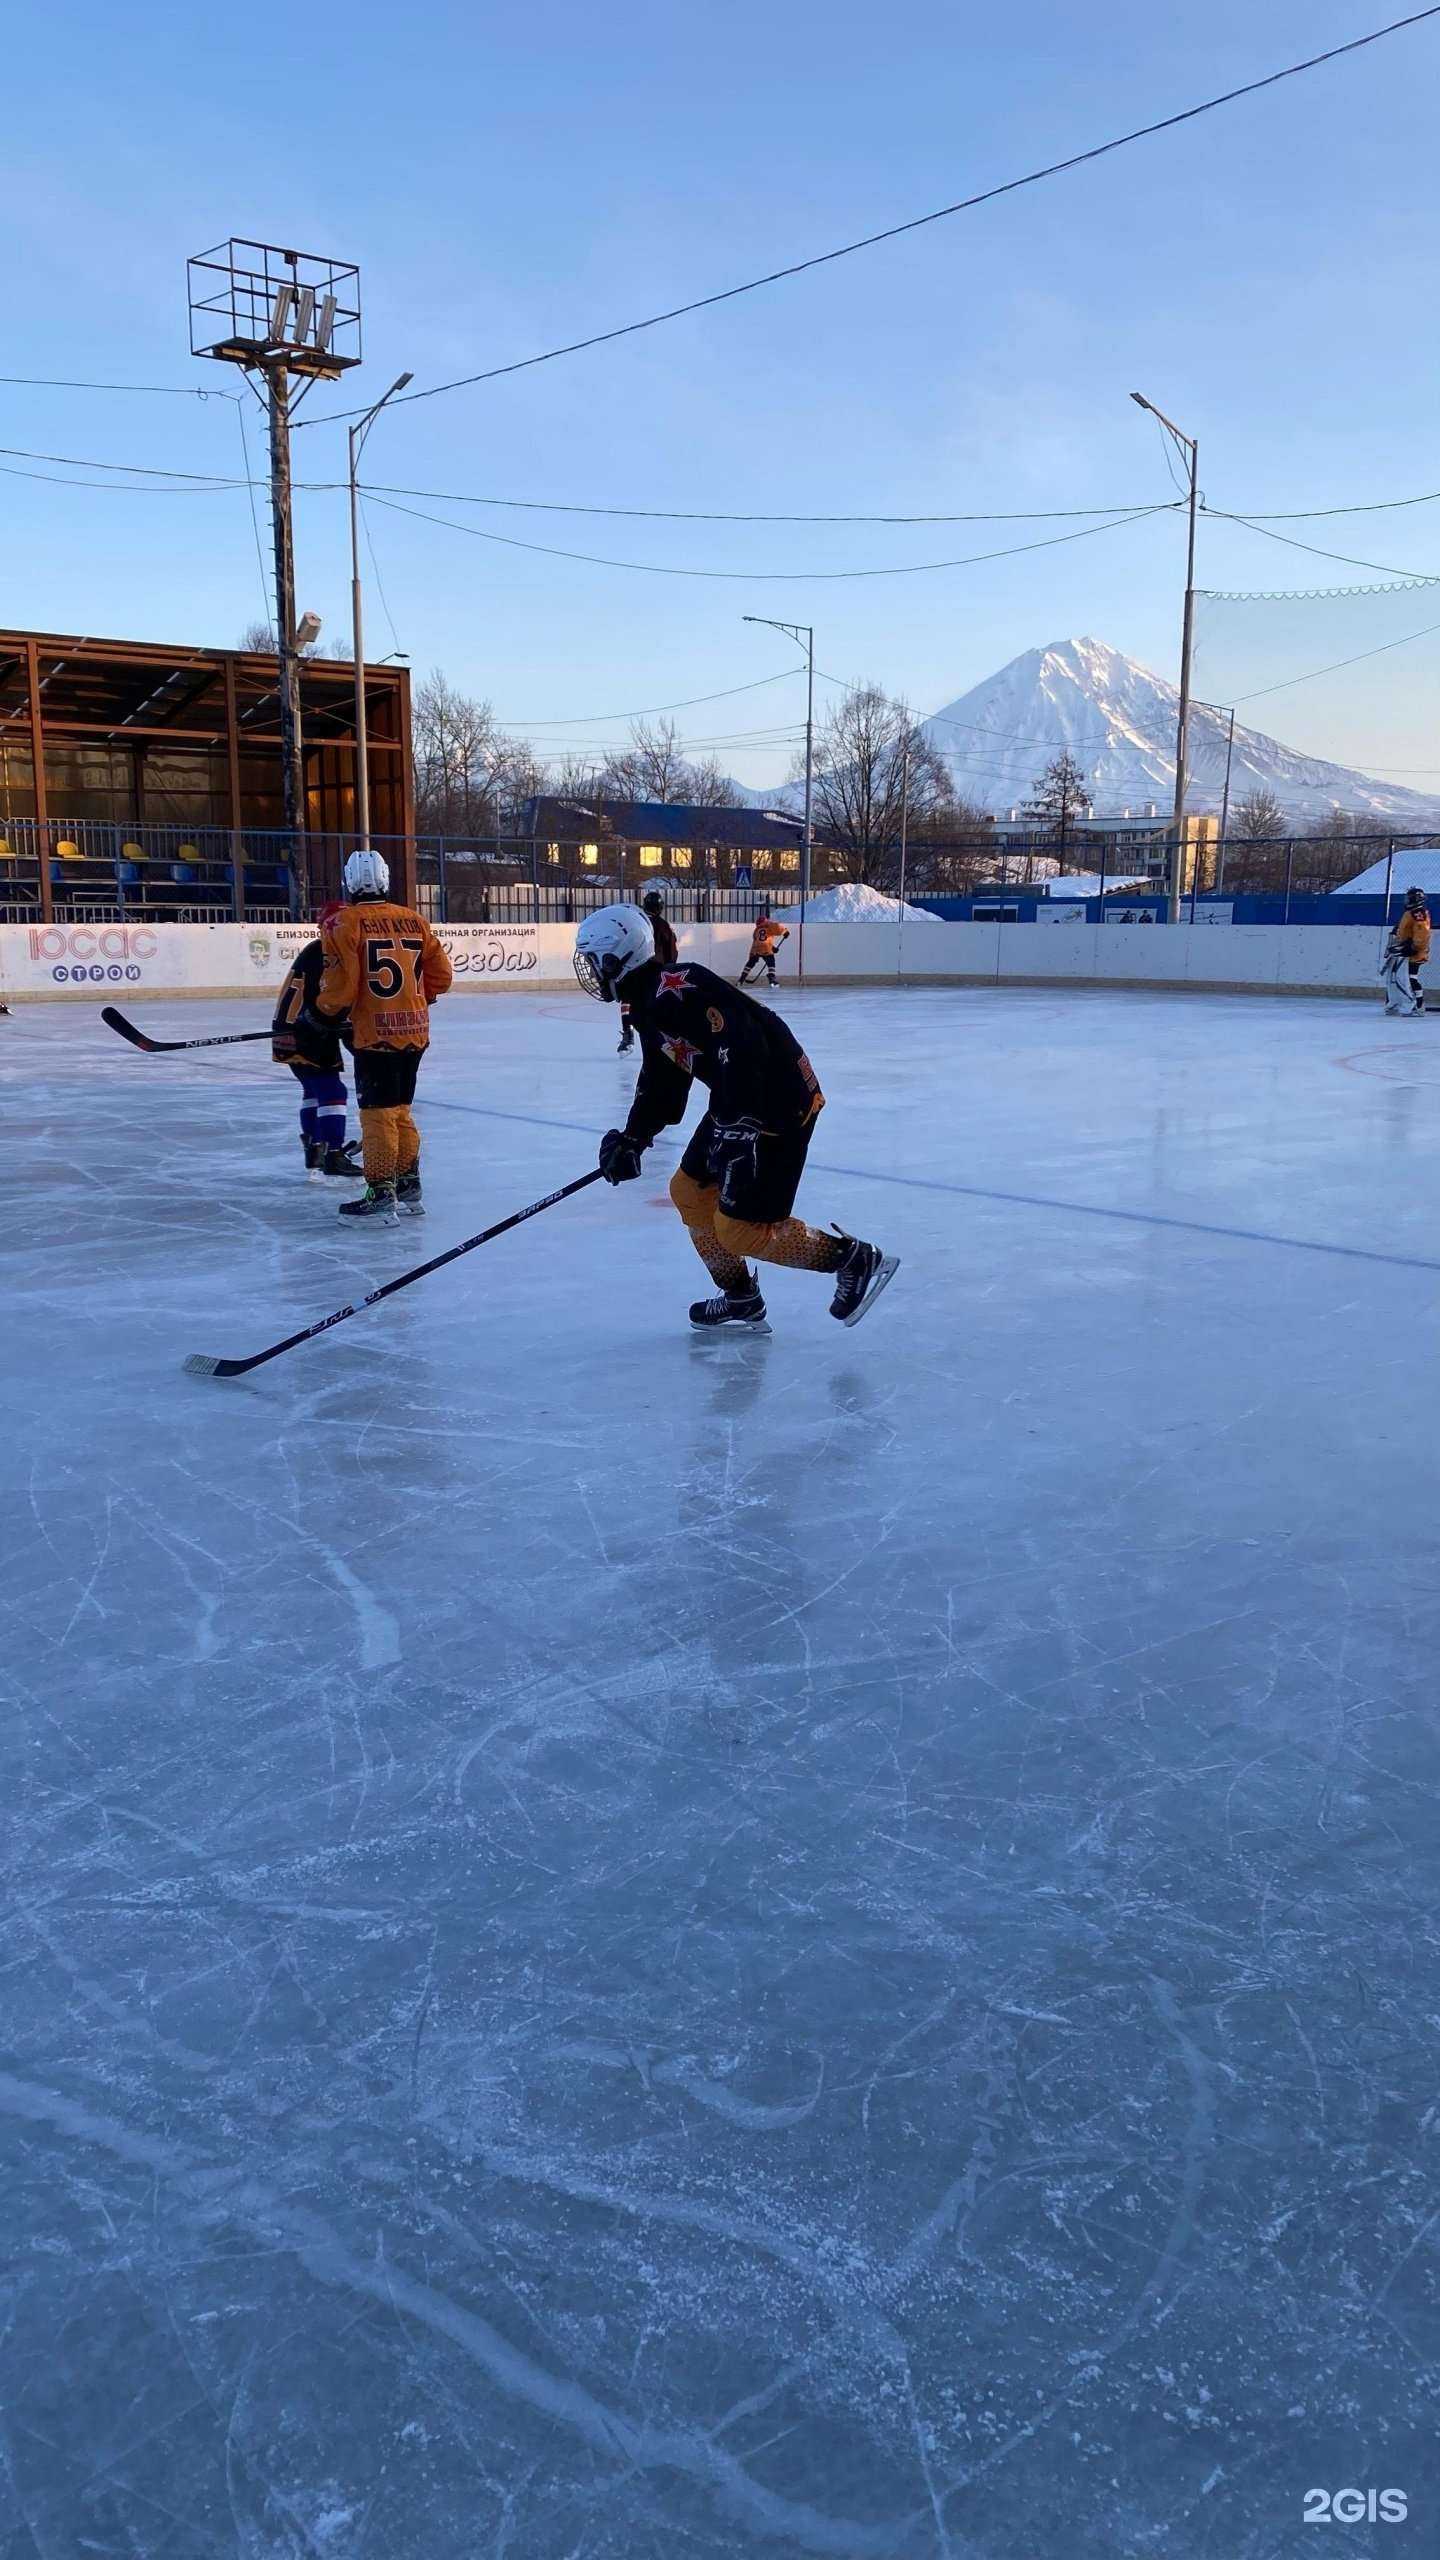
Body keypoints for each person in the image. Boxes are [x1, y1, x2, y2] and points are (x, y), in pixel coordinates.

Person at [574, 902, 897, 1331]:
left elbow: (746, 1044)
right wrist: (634, 1138)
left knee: (740, 1230)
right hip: (738, 1105)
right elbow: (663, 1081)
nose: (590, 972)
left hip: (780, 1106)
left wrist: (738, 1129)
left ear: (617, 959)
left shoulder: (681, 987)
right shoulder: (648, 1005)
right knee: (689, 1192)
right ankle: (741, 1298)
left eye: (594, 961)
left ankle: (853, 1259)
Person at [313, 850, 453, 1220]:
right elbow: (441, 977)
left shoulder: (343, 922)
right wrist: (417, 999)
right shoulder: (414, 920)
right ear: (386, 880)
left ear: (349, 882)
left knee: (377, 1115)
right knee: (400, 1110)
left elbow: (341, 988)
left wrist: (322, 1015)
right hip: (415, 1033)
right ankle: (408, 1183)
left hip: (375, 1035)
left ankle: (380, 1193)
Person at [271, 908, 364, 1181]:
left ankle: (315, 1148)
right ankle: (333, 1153)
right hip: (309, 1030)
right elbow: (334, 999)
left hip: (287, 1029)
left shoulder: (315, 948)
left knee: (313, 1090)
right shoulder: (330, 952)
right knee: (333, 1091)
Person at [617, 889, 678, 1052]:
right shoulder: (664, 926)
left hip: (635, 969)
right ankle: (663, 1042)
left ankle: (627, 1035)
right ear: (660, 908)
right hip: (656, 972)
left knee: (627, 1000)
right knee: (656, 1005)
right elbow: (672, 953)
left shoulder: (636, 922)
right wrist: (669, 968)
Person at [1382, 886, 1431, 1016]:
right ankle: (1395, 1003)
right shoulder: (1410, 912)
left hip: (1413, 952)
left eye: (1409, 898)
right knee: (1397, 978)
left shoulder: (1418, 913)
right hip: (1404, 950)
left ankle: (1417, 1005)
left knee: (1409, 979)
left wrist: (1414, 947)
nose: (1407, 901)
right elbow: (1403, 928)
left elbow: (1422, 932)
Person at [739, 909, 789, 988]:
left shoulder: (756, 930)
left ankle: (741, 979)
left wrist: (772, 948)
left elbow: (758, 941)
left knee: (751, 963)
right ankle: (772, 977)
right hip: (766, 948)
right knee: (771, 962)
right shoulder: (768, 925)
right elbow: (777, 927)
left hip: (756, 948)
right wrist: (785, 932)